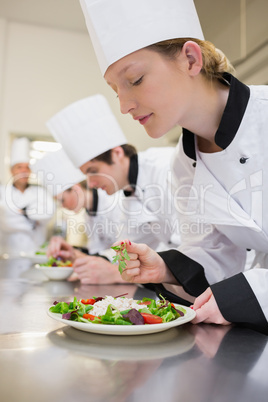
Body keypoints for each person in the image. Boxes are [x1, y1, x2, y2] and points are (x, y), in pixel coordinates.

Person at [79, 0, 268, 334]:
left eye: (134, 79)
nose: (124, 105)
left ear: (190, 59)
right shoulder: (185, 163)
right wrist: (165, 267)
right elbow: (217, 252)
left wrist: (251, 293)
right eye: (115, 91)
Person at [46, 94, 181, 255]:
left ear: (117, 153)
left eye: (93, 171)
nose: (91, 184)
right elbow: (126, 248)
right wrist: (79, 256)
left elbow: (191, 243)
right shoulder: (130, 194)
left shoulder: (165, 167)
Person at [32, 147, 126, 284]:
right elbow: (97, 252)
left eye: (62, 200)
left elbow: (124, 252)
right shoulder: (89, 215)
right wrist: (72, 253)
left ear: (75, 189)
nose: (63, 206)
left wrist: (76, 255)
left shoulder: (115, 202)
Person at [0, 137, 54, 255]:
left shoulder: (41, 192)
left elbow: (48, 214)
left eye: (27, 167)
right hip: (9, 254)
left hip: (35, 252)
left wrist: (19, 212)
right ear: (12, 170)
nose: (24, 171)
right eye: (19, 167)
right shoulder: (2, 192)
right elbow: (5, 221)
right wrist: (33, 219)